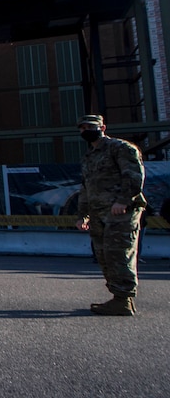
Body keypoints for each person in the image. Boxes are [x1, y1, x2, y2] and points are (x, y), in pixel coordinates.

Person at [75, 113, 146, 316]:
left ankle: (124, 299)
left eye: (89, 127)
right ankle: (118, 297)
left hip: (120, 212)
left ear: (102, 127)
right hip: (99, 214)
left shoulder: (121, 148)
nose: (85, 131)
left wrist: (123, 201)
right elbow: (86, 188)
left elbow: (133, 176)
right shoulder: (89, 157)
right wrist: (83, 216)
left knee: (118, 253)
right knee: (104, 255)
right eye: (82, 128)